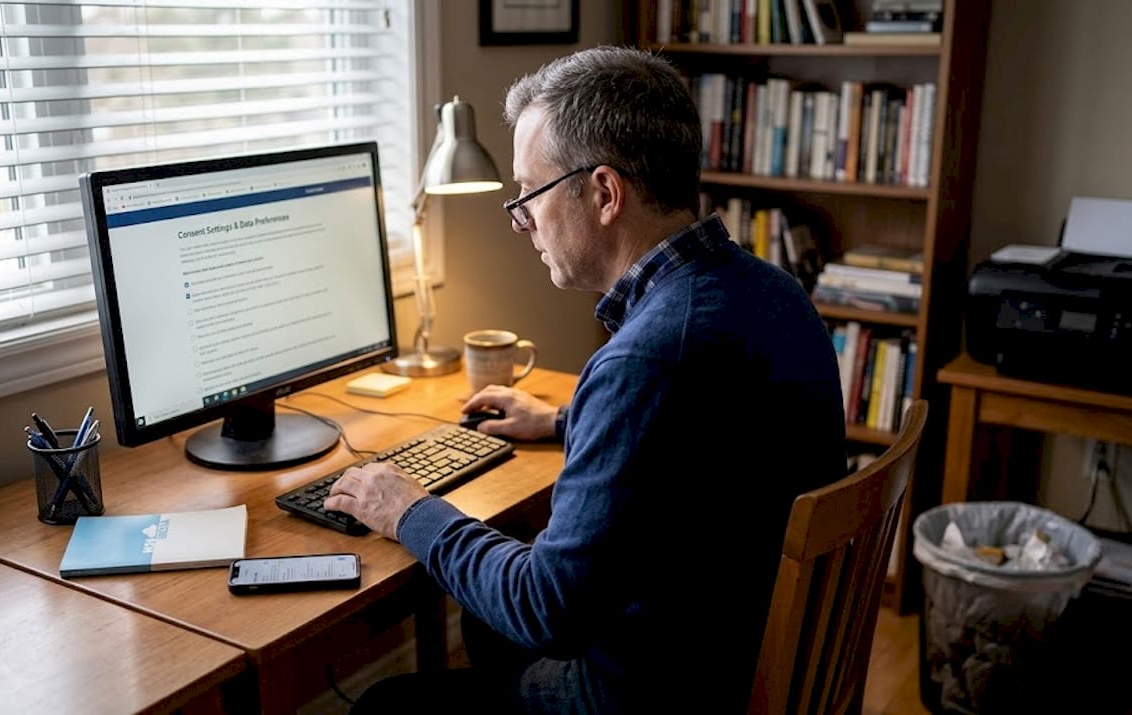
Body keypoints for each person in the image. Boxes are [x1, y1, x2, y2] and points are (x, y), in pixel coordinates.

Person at [324, 45, 847, 714]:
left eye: (529, 195)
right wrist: (562, 421)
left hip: (662, 692)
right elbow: (708, 434)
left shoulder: (647, 359)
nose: (522, 221)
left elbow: (550, 612)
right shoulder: (773, 292)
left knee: (387, 703)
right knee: (487, 620)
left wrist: (409, 509)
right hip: (736, 641)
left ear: (603, 193)